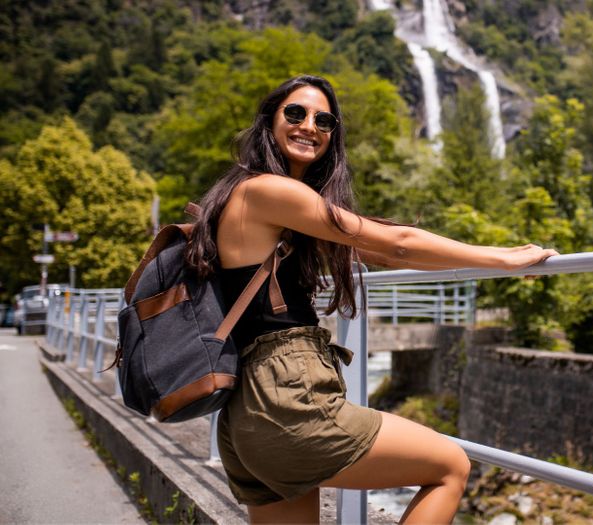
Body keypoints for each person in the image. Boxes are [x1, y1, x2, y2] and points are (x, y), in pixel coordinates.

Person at [184, 74, 558, 524]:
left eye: (324, 119)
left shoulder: (260, 200)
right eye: (295, 113)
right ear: (269, 121)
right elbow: (398, 242)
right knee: (450, 467)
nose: (309, 125)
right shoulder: (268, 190)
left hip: (246, 415)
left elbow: (381, 248)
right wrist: (503, 257)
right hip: (286, 399)